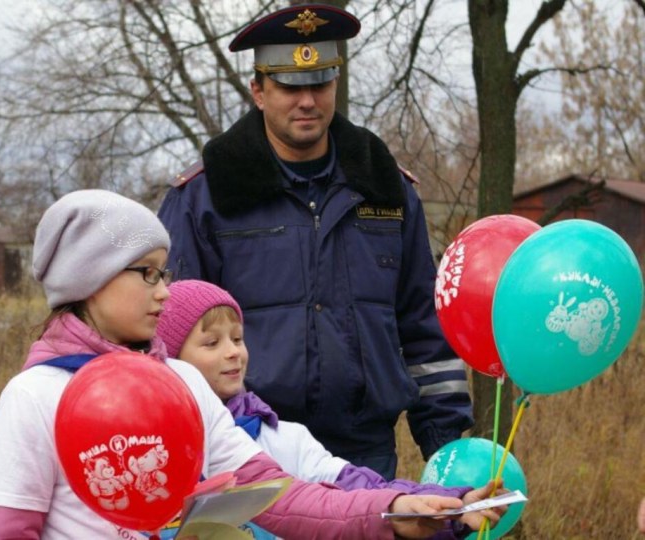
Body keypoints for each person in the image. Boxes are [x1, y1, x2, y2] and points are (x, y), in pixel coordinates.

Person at [0, 189, 502, 540]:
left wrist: (392, 513)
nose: (164, 292)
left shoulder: (181, 381)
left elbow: (275, 496)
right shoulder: (34, 397)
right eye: (148, 274)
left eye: (165, 274)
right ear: (88, 279)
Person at [158, 3, 472, 479]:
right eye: (289, 85)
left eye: (320, 83)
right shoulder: (204, 197)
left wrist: (446, 450)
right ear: (259, 91)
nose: (307, 101)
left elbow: (425, 326)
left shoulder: (386, 189)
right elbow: (167, 339)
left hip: (366, 451)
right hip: (250, 447)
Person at [157, 278, 505, 521]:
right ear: (170, 358)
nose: (234, 353)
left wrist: (447, 503)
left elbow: (357, 486)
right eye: (212, 343)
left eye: (237, 338)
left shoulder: (281, 437)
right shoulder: (148, 446)